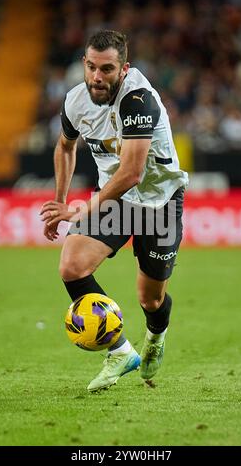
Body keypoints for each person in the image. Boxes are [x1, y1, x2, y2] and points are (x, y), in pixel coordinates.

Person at [40, 30, 188, 392]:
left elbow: (132, 173)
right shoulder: (76, 100)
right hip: (117, 202)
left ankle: (155, 335)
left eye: (107, 69)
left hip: (159, 202)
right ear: (84, 64)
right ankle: (121, 352)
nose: (97, 77)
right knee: (72, 266)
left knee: (150, 298)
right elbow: (65, 147)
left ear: (124, 69)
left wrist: (82, 208)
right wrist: (61, 201)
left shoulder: (138, 100)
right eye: (91, 67)